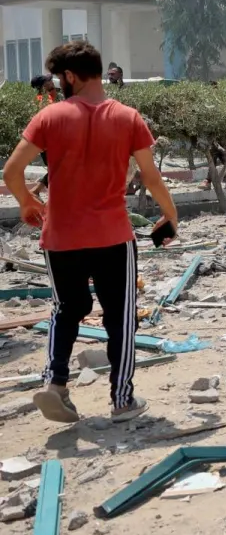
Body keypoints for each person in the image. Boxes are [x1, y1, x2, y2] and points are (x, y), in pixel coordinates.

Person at [3, 41, 178, 424]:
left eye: (58, 78)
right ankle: (122, 400)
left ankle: (55, 384)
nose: (57, 84)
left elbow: (12, 172)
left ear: (70, 76)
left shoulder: (49, 117)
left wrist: (27, 202)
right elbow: (151, 177)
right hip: (111, 236)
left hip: (60, 237)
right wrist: (170, 215)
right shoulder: (128, 118)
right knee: (120, 316)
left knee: (66, 308)